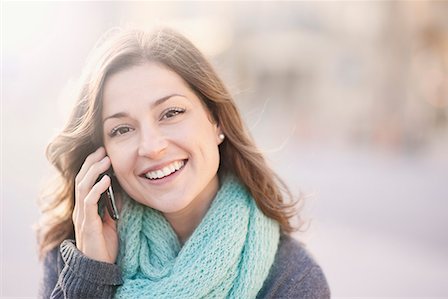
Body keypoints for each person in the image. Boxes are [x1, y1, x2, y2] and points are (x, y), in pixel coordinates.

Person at [37, 27, 330, 298]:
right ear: (103, 155)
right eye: (122, 129)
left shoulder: (293, 279)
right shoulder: (75, 258)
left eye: (171, 113)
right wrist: (90, 277)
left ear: (216, 120)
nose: (151, 147)